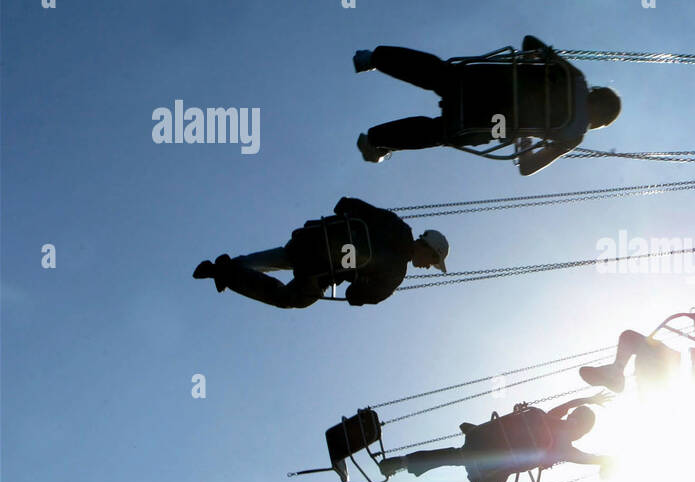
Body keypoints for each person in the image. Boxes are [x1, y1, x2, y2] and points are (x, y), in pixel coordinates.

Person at [353, 35, 621, 175]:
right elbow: (527, 168)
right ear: (601, 121)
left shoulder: (575, 78)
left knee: (436, 72)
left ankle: (374, 58)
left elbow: (529, 43)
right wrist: (526, 137)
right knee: (438, 133)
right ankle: (376, 141)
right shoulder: (573, 135)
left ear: (596, 93)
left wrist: (529, 77)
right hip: (484, 122)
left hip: (485, 81)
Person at [390, 396, 613, 482]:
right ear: (582, 432)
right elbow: (589, 458)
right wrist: (608, 461)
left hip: (482, 440)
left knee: (458, 456)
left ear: (573, 416)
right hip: (494, 470)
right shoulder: (565, 448)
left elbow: (564, 407)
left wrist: (587, 399)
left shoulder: (549, 417)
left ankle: (404, 462)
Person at [193, 197, 448, 308]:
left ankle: (226, 267)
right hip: (320, 269)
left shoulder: (397, 225)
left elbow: (345, 204)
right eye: (432, 262)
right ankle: (227, 273)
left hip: (311, 240)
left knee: (282, 257)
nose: (428, 267)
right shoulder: (395, 274)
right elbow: (354, 295)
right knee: (291, 298)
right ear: (428, 250)